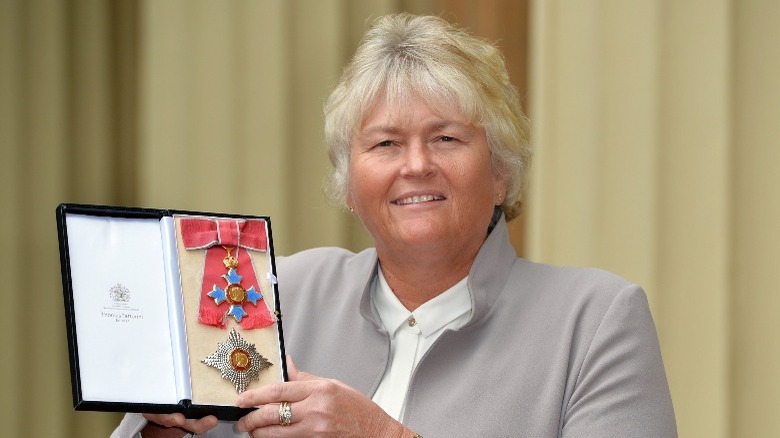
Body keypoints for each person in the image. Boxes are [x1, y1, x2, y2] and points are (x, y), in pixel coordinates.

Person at [113, 13, 676, 438]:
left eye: (446, 138)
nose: (415, 166)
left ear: (501, 173)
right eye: (385, 143)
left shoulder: (595, 319)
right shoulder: (272, 291)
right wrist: (166, 429)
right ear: (350, 189)